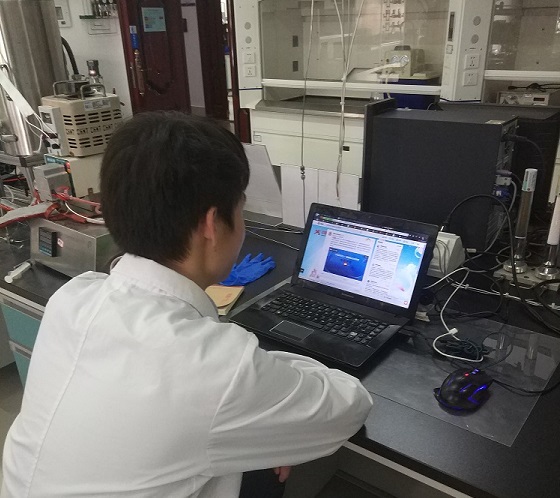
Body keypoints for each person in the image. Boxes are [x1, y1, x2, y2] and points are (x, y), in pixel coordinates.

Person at [1, 112, 373, 497]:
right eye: (240, 209)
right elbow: (349, 406)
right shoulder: (215, 369)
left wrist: (264, 420)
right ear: (212, 225)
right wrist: (275, 421)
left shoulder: (75, 297)